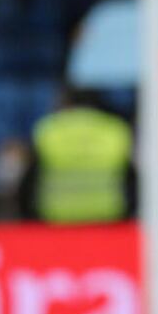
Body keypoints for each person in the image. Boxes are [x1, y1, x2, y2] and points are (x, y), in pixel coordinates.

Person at [27, 88, 135, 224]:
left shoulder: (47, 129)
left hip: (56, 220)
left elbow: (29, 180)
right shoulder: (117, 130)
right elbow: (131, 179)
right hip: (108, 219)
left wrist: (30, 218)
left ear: (66, 101)